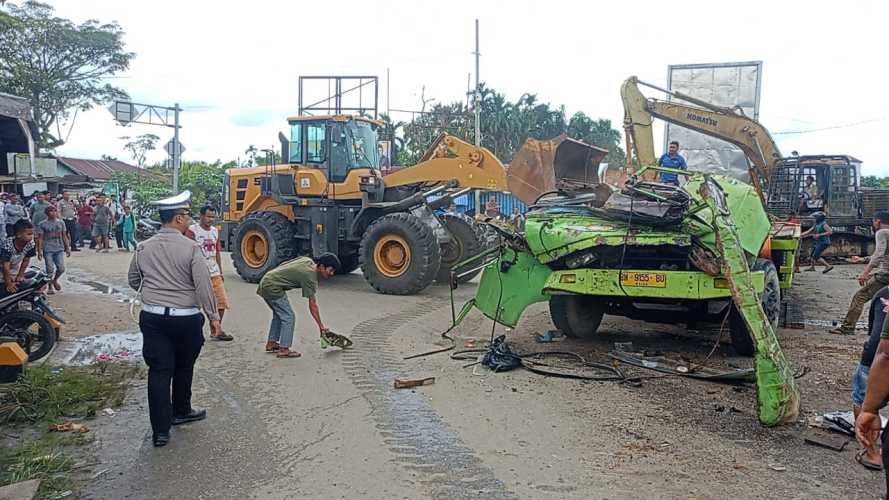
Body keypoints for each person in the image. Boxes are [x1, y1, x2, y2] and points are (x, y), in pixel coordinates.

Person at [127, 191, 221, 448]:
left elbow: (134, 280)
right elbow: (203, 285)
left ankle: (160, 432)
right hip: (185, 319)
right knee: (184, 366)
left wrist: (154, 292)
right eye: (187, 215)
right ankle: (181, 410)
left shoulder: (143, 247)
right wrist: (213, 316)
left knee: (159, 371)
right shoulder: (191, 248)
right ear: (178, 218)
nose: (190, 219)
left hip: (153, 318)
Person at [257, 253, 339, 358]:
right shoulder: (310, 277)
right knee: (289, 317)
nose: (332, 273)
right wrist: (321, 327)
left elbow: (284, 264)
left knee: (279, 314)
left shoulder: (307, 261)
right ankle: (284, 349)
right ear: (322, 266)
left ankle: (271, 343)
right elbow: (313, 305)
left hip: (266, 280)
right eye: (331, 270)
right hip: (272, 287)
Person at [831, 211, 889, 335]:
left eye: (873, 221)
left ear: (878, 221)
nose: (873, 224)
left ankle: (847, 327)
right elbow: (882, 255)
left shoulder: (882, 232)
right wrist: (862, 259)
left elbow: (879, 255)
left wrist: (865, 273)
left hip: (886, 275)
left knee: (860, 297)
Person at [852, 286, 889, 471]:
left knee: (862, 399)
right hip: (878, 357)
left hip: (875, 359)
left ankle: (872, 454)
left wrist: (870, 409)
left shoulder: (883, 294)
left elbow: (882, 349)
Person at [186, 205, 233, 341]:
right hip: (198, 272)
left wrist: (220, 271)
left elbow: (217, 252)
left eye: (213, 217)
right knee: (197, 304)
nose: (211, 219)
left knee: (221, 302)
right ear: (201, 216)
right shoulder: (192, 231)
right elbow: (187, 252)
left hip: (214, 271)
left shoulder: (215, 231)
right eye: (208, 216)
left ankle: (216, 330)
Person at [35, 205, 70, 294]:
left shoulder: (61, 223)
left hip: (59, 248)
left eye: (55, 211)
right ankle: (50, 286)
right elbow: (40, 238)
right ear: (47, 213)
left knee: (61, 268)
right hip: (47, 248)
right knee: (50, 268)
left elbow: (64, 236)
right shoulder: (42, 224)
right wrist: (39, 250)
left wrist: (67, 247)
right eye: (51, 211)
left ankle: (55, 280)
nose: (54, 213)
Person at [0, 219, 36, 294]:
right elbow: (5, 266)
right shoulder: (8, 245)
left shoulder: (31, 244)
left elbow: (26, 261)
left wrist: (20, 275)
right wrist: (9, 284)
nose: (31, 237)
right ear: (19, 235)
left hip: (13, 267)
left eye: (32, 234)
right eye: (29, 234)